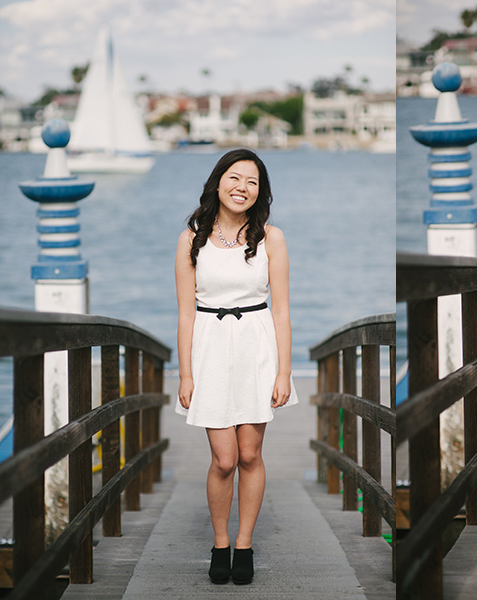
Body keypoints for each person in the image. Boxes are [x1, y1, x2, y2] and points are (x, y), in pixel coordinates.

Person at [174, 148, 298, 584]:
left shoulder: (271, 238)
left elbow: (281, 310)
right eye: (235, 177)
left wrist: (284, 371)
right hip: (209, 347)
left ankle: (243, 545)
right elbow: (186, 313)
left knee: (250, 454)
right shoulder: (191, 239)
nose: (242, 187)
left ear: (259, 192)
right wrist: (185, 373)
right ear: (218, 181)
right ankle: (219, 542)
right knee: (223, 459)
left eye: (252, 182)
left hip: (256, 346)